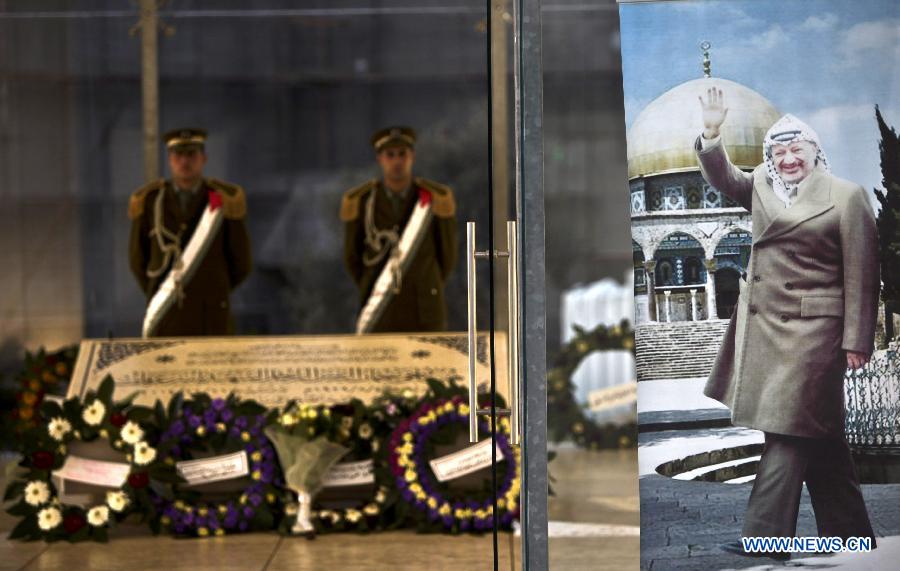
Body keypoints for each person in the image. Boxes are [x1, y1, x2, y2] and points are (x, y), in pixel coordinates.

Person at [696, 88, 879, 560]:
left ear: (816, 151)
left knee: (787, 429)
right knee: (821, 436)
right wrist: (713, 134)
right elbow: (724, 179)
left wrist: (857, 339)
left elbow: (863, 273)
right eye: (779, 151)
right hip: (767, 334)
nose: (789, 158)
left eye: (798, 149)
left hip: (814, 335)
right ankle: (850, 534)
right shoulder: (760, 185)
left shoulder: (846, 196)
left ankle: (764, 536)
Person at [128, 128, 252, 337]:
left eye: (191, 155)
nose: (185, 162)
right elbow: (138, 259)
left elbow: (241, 262)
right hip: (166, 314)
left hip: (211, 317)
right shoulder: (150, 201)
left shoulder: (223, 200)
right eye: (178, 155)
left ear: (203, 158)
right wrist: (162, 292)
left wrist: (212, 290)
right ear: (169, 159)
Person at [341, 126, 458, 333]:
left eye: (402, 154)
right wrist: (374, 284)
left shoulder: (433, 199)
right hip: (380, 309)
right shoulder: (363, 201)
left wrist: (428, 283)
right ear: (380, 159)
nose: (397, 161)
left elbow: (447, 256)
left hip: (425, 311)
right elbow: (352, 257)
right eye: (390, 155)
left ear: (412, 156)